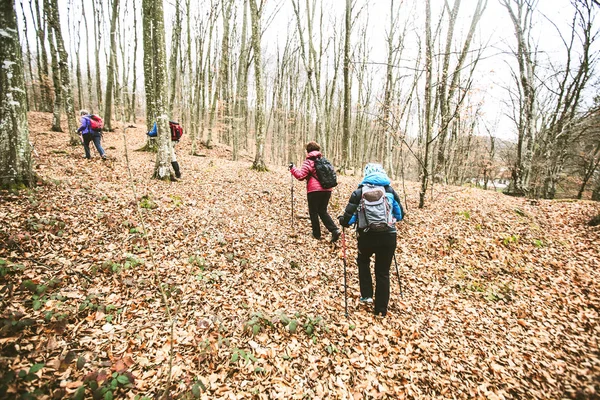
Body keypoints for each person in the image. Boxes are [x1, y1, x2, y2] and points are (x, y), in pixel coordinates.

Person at [337, 163, 404, 317]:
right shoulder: (390, 190)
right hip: (388, 237)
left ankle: (366, 296)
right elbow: (400, 216)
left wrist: (343, 219)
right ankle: (381, 310)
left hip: (366, 237)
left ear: (366, 174)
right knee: (382, 272)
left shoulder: (359, 192)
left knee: (363, 261)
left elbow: (348, 220)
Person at [289, 141, 341, 242]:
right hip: (327, 189)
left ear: (308, 151)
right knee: (322, 211)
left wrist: (292, 168)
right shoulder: (325, 161)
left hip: (314, 190)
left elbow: (300, 176)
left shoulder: (308, 162)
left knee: (313, 212)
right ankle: (334, 230)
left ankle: (316, 234)